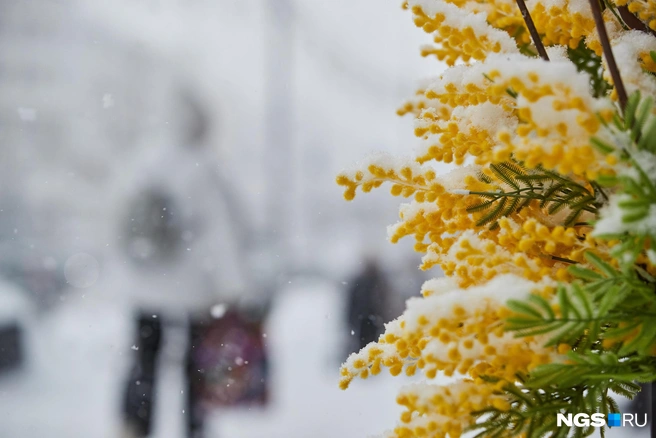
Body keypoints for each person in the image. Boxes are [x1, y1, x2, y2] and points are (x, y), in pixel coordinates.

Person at [345, 258, 390, 355]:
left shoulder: (380, 281)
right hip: (363, 319)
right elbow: (353, 302)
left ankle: (371, 362)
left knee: (373, 342)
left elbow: (385, 301)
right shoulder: (361, 281)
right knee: (363, 343)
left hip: (373, 319)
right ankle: (365, 361)